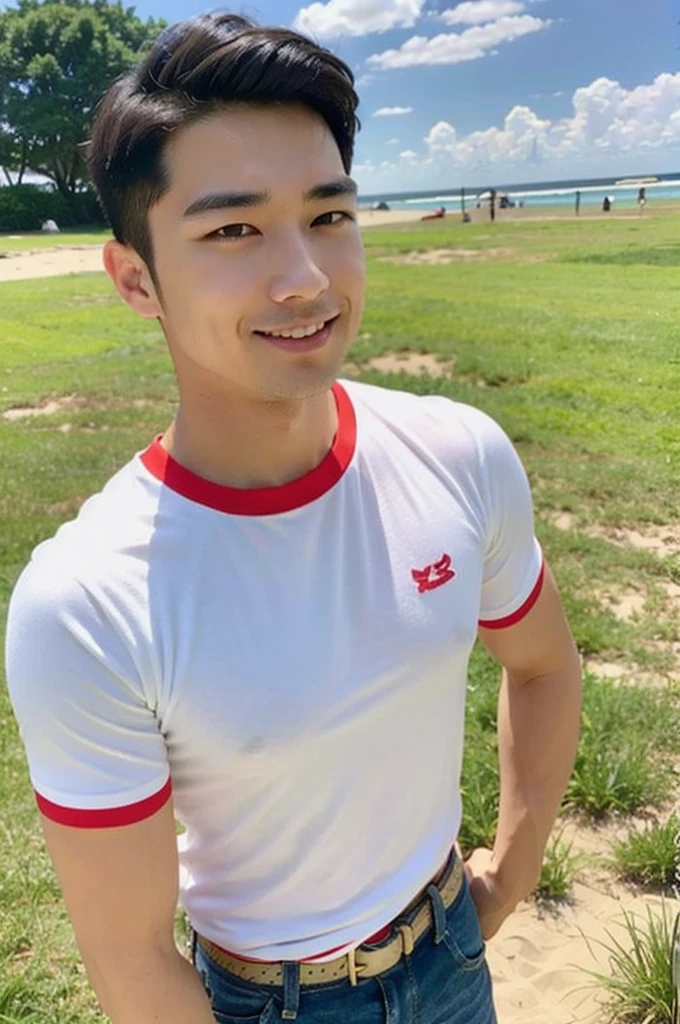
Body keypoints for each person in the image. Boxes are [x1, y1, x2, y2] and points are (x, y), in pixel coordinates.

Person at [4, 12, 582, 1024]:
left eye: (327, 215)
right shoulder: (87, 599)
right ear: (136, 278)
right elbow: (133, 959)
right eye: (233, 229)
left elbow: (540, 662)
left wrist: (506, 876)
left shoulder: (457, 452)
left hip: (451, 947)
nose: (306, 278)